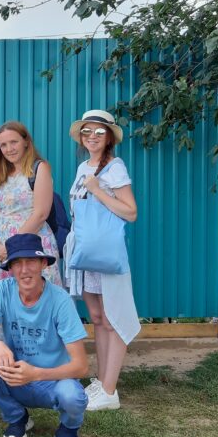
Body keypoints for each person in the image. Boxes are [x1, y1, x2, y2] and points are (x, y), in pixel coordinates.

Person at [0, 233, 89, 437]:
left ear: (43, 264)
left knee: (72, 396)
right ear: (10, 269)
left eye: (31, 261)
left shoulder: (60, 300)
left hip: (53, 381)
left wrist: (36, 374)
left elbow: (81, 367)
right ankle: (16, 417)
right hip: (16, 376)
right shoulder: (2, 290)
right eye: (17, 263)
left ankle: (69, 426)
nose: (24, 270)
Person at [67, 109, 140, 411]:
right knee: (97, 318)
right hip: (86, 251)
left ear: (109, 136)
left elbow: (131, 212)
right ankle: (102, 381)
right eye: (87, 131)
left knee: (113, 318)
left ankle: (110, 390)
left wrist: (98, 191)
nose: (92, 136)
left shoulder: (115, 167)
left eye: (99, 131)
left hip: (107, 253)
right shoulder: (83, 166)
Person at [0, 121, 62, 307]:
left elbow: (41, 214)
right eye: (3, 145)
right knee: (6, 303)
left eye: (14, 142)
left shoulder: (39, 168)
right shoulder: (1, 174)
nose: (9, 149)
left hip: (32, 247)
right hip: (2, 252)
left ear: (26, 142)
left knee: (38, 302)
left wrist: (12, 246)